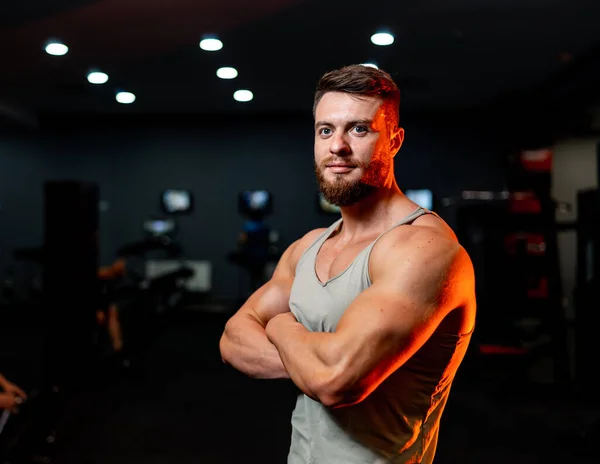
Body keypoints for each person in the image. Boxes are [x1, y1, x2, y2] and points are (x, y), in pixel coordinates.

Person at [219, 64, 476, 463]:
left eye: (359, 129)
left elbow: (334, 381)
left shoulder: (424, 248)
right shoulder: (308, 247)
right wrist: (314, 359)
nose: (337, 146)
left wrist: (280, 324)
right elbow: (233, 339)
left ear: (394, 140)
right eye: (325, 130)